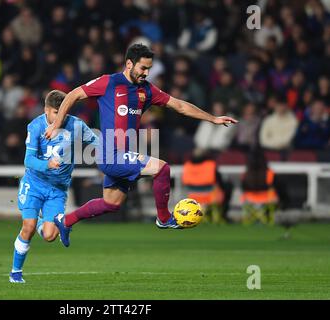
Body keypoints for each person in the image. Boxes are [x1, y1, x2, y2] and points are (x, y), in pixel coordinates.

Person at [44, 43, 237, 247]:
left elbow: (179, 105)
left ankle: (66, 220)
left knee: (111, 203)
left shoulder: (147, 90)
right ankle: (163, 219)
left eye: (149, 69)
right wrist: (57, 124)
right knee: (162, 168)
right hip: (110, 155)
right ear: (129, 64)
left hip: (123, 154)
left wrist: (213, 118)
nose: (146, 73)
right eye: (143, 68)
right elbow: (74, 94)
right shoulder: (109, 82)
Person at [9, 90, 98, 283]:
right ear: (46, 111)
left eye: (64, 112)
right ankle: (16, 272)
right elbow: (28, 160)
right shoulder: (35, 126)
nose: (61, 116)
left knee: (49, 236)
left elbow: (96, 143)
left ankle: (41, 221)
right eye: (57, 112)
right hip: (34, 184)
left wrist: (113, 154)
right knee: (28, 227)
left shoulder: (77, 125)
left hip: (57, 189)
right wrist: (46, 164)